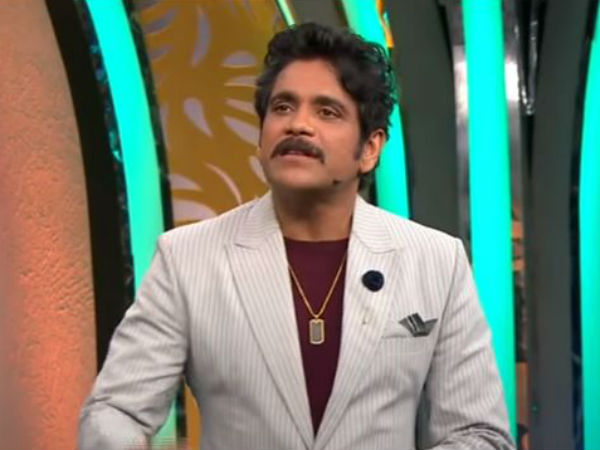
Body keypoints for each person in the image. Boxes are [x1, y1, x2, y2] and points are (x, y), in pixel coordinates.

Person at [79, 22, 514, 450]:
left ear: (369, 149)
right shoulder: (188, 258)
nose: (298, 125)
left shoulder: (436, 261)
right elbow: (114, 411)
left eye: (327, 112)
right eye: (283, 107)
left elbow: (479, 434)